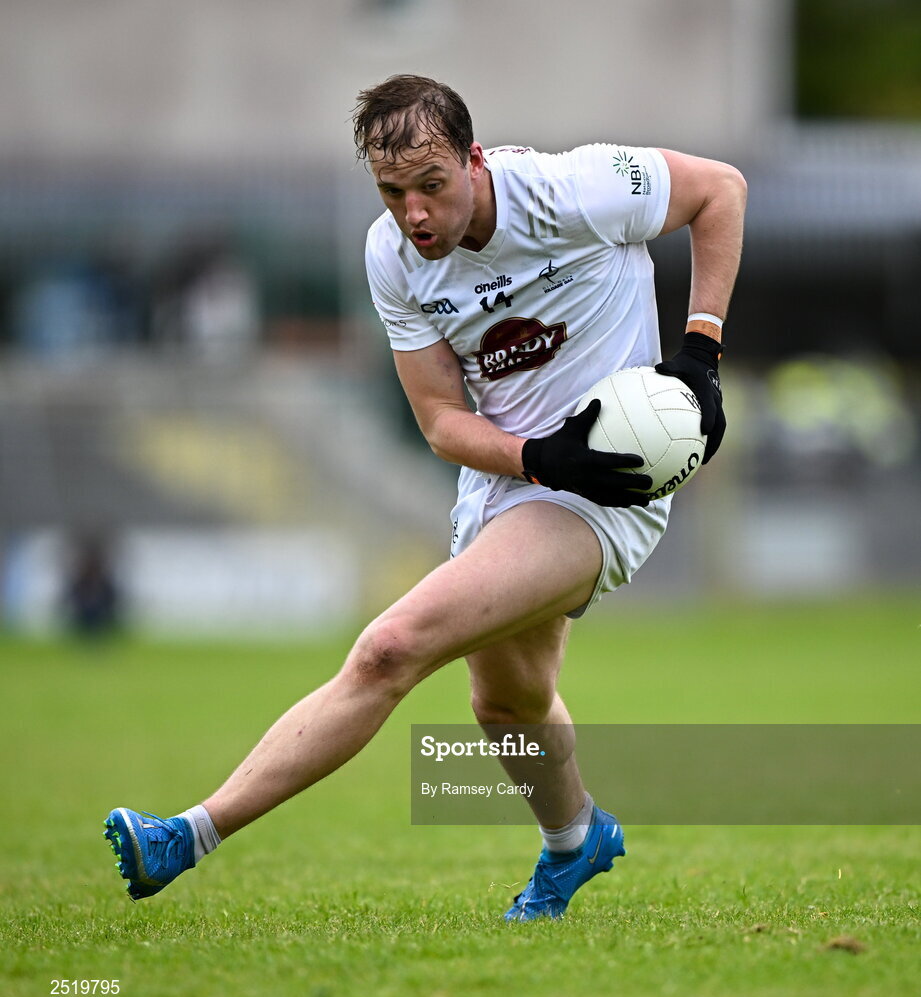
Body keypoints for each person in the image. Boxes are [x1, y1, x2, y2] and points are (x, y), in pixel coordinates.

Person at [105, 75, 746, 920]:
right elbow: (442, 422)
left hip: (608, 493)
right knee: (505, 701)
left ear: (473, 162)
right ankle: (574, 840)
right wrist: (539, 457)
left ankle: (186, 835)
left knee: (389, 648)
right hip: (513, 476)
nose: (413, 213)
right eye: (391, 192)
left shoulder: (571, 190)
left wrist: (699, 357)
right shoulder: (390, 255)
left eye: (431, 186)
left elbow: (719, 190)